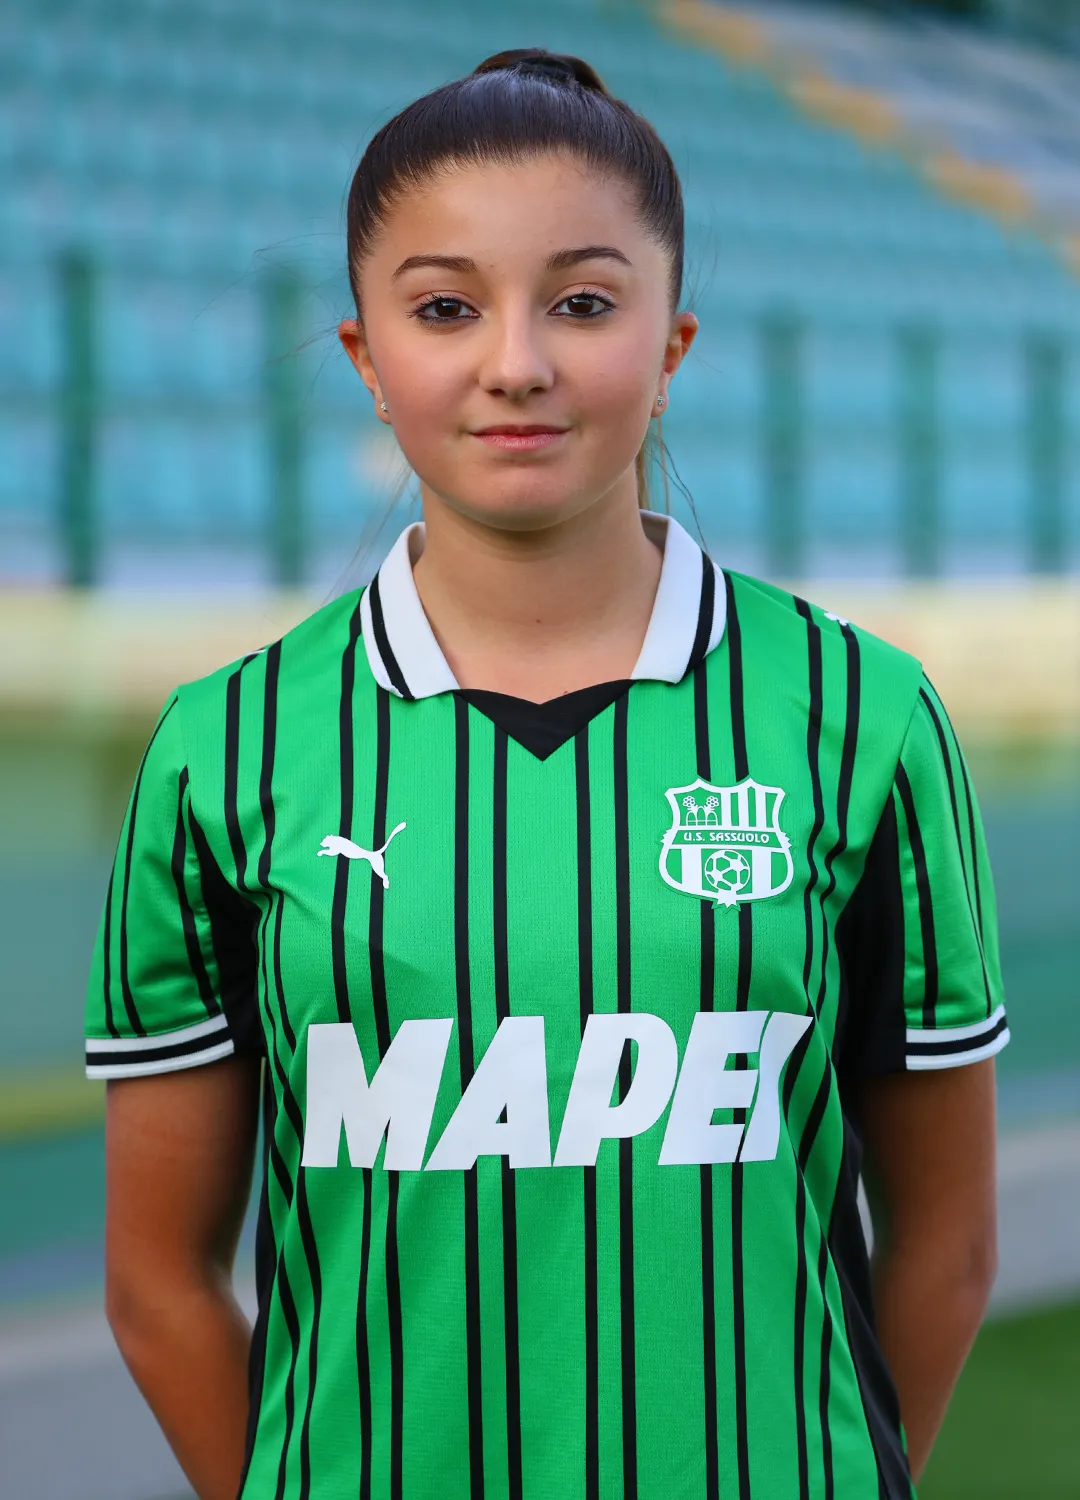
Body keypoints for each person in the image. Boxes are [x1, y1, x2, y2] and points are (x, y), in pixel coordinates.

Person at [86, 49, 1008, 1500]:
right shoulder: (229, 748)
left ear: (673, 345)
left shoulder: (860, 717)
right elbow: (159, 1284)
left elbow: (948, 1246)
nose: (515, 363)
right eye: (445, 308)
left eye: (582, 303)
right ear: (366, 358)